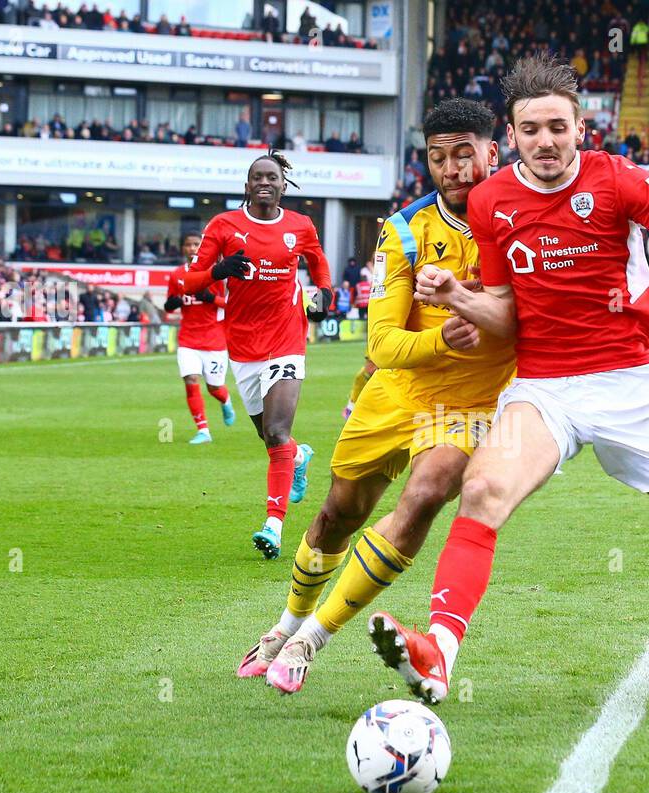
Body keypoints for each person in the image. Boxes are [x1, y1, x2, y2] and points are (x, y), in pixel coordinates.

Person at [370, 55, 649, 705]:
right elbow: (504, 315)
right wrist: (455, 295)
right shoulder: (490, 201)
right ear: (510, 136)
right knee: (482, 489)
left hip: (629, 385)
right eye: (531, 130)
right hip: (545, 386)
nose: (546, 141)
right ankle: (438, 653)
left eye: (558, 127)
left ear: (581, 128)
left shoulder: (618, 180)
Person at [236, 98, 515, 694]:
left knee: (427, 494)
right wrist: (445, 336)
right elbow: (384, 343)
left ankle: (313, 638)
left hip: (465, 406)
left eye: (466, 154)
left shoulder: (524, 222)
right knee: (339, 515)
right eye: (439, 157)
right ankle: (283, 626)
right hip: (393, 394)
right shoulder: (405, 230)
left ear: (493, 151)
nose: (453, 168)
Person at [188, 152, 333, 557]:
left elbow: (319, 266)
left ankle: (274, 525)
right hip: (242, 344)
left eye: (272, 176)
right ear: (247, 186)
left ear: (283, 185)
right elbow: (194, 277)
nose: (265, 182)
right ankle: (299, 456)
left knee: (276, 432)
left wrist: (323, 292)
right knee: (268, 437)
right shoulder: (224, 225)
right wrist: (219, 271)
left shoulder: (299, 226)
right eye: (257, 177)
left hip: (287, 337)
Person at [163, 232, 236, 444]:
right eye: (188, 244)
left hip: (214, 340)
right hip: (187, 339)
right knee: (190, 380)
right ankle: (203, 430)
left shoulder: (216, 273)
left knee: (214, 388)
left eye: (196, 244)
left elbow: (231, 305)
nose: (192, 248)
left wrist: (211, 298)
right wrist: (172, 303)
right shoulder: (177, 274)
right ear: (183, 248)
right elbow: (169, 304)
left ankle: (226, 401)